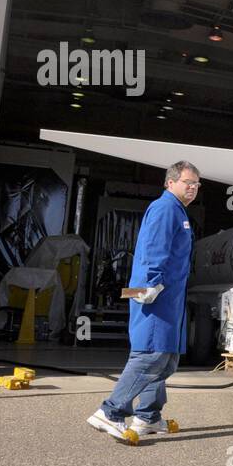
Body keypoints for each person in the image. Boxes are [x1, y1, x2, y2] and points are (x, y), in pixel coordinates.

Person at [87, 161, 200, 440]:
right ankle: (110, 412)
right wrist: (149, 285)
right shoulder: (165, 209)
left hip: (170, 298)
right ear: (170, 183)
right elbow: (153, 249)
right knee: (151, 355)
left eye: (197, 184)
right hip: (156, 295)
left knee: (166, 359)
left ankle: (147, 416)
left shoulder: (177, 212)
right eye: (188, 182)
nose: (193, 188)